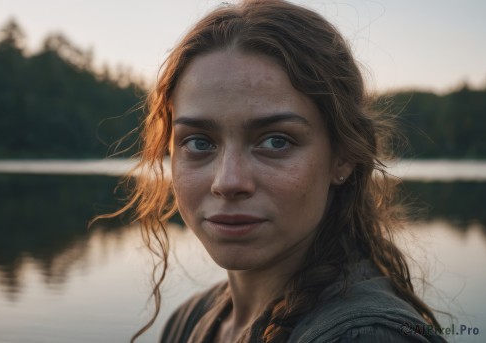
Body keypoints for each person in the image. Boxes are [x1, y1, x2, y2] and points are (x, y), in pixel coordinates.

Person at [94, 0, 448, 342]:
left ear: (342, 157)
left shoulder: (366, 335)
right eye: (199, 143)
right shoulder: (190, 321)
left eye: (276, 141)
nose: (228, 182)